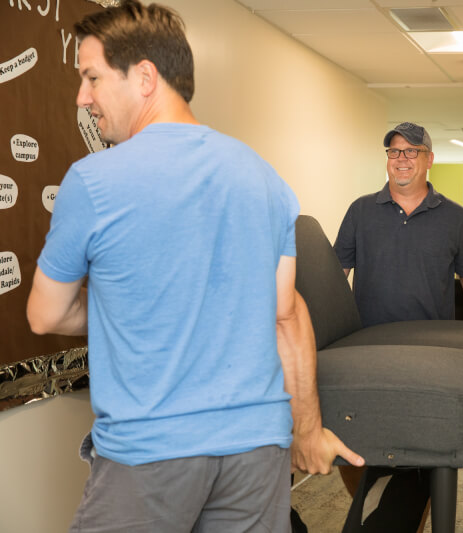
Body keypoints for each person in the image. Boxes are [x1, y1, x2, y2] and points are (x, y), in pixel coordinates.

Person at [25, 2, 362, 532]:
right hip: (256, 449)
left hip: (152, 450)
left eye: (91, 77)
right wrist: (308, 428)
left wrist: (124, 303)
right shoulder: (264, 177)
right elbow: (285, 313)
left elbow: (46, 314)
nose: (81, 97)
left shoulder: (93, 181)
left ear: (144, 77)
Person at [333, 122, 463, 532]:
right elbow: (335, 277)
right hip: (365, 356)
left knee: (422, 457)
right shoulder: (360, 211)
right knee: (353, 447)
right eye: (394, 151)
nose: (401, 159)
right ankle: (381, 515)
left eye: (411, 151)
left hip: (429, 361)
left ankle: (406, 521)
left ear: (429, 159)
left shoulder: (454, 217)